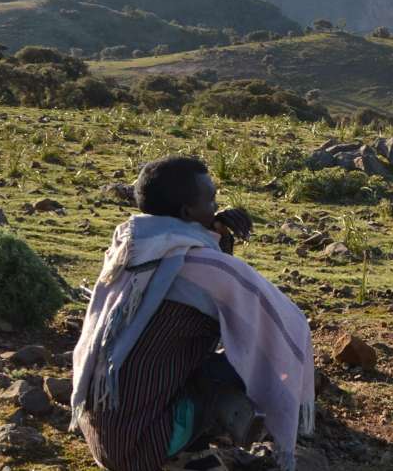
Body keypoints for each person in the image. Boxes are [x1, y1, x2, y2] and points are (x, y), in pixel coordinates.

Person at [72, 156, 314, 471]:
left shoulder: (129, 248)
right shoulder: (205, 266)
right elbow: (287, 325)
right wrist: (221, 240)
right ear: (187, 212)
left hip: (107, 437)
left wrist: (214, 234)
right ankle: (196, 449)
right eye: (211, 199)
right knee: (264, 356)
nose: (217, 206)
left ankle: (189, 444)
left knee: (180, 353)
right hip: (142, 446)